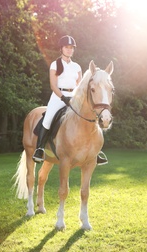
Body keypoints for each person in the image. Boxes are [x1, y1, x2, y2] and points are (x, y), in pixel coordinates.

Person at [32, 35, 108, 166]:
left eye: (71, 48)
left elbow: (80, 85)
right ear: (61, 49)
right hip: (58, 97)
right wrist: (62, 97)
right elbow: (53, 85)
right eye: (67, 47)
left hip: (74, 98)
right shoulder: (55, 65)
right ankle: (39, 149)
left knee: (91, 117)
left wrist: (77, 98)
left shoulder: (77, 67)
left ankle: (96, 151)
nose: (69, 50)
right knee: (48, 118)